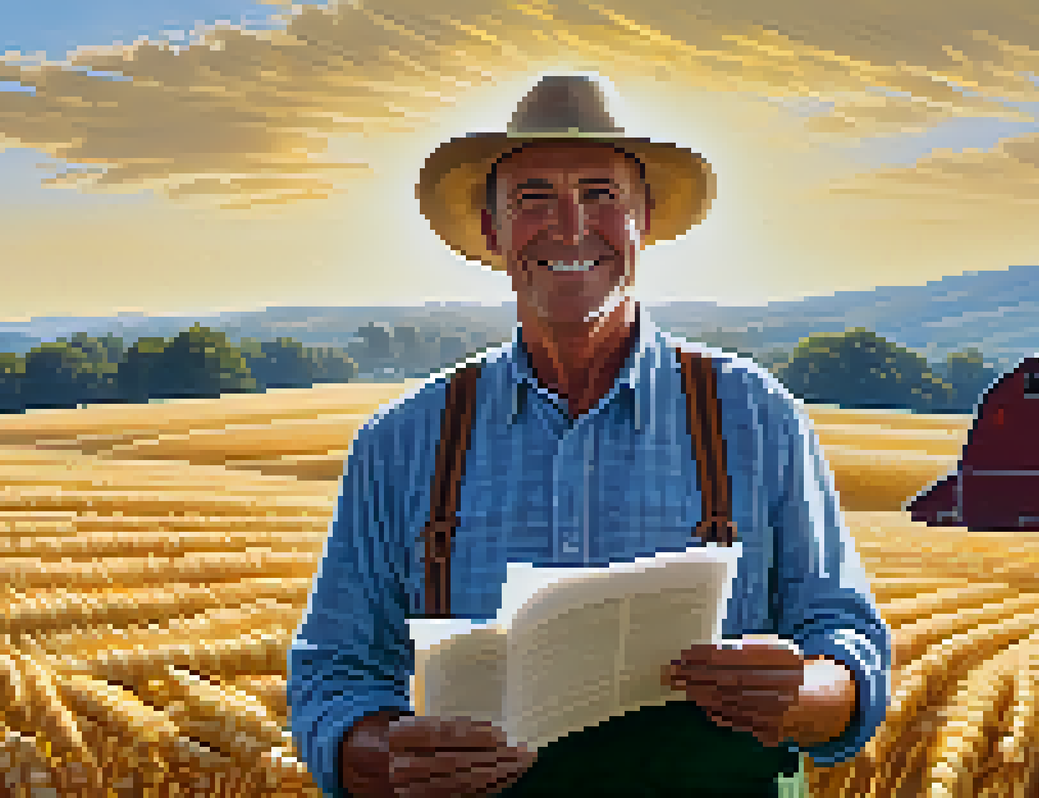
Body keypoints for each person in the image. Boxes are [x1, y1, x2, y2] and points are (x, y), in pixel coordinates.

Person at [287, 74, 891, 798]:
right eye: (533, 197)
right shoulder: (401, 442)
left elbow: (848, 646)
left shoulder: (757, 415)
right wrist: (383, 755)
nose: (569, 225)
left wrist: (804, 694)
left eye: (601, 194)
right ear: (493, 230)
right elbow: (334, 674)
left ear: (644, 218)